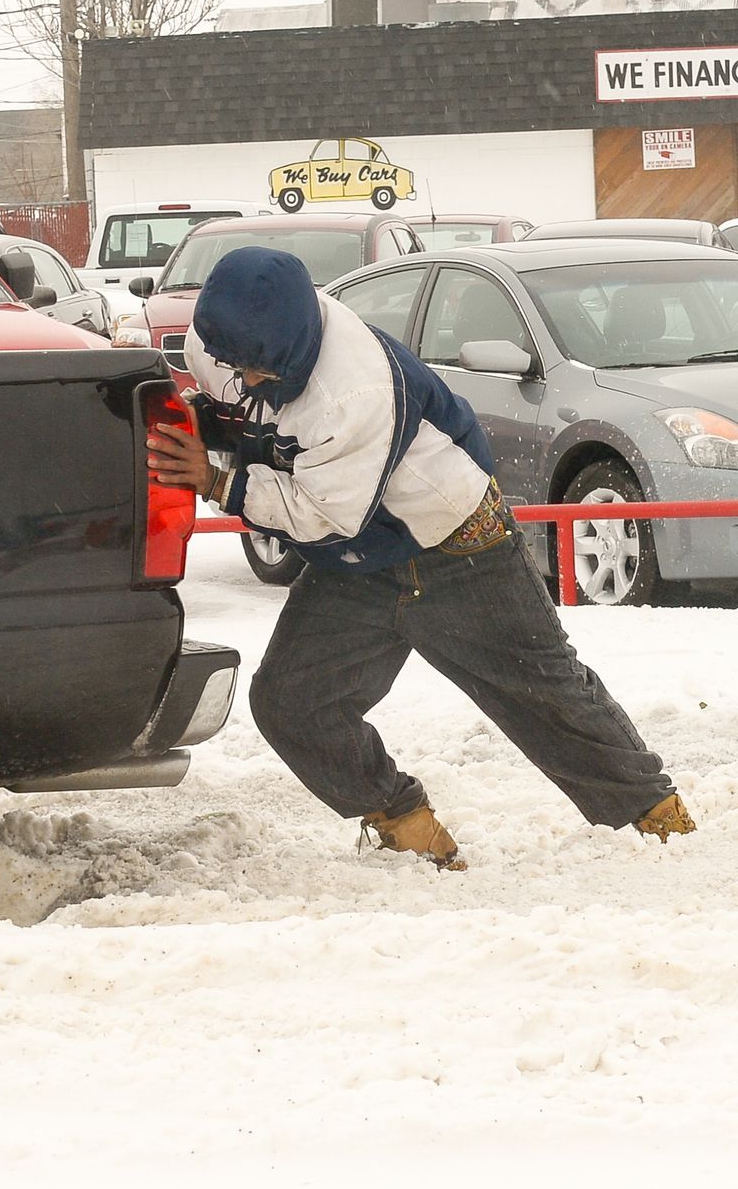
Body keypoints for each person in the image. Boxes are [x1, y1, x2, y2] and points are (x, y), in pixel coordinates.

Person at [146, 245, 693, 868]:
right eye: (232, 367)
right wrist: (203, 422)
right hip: (359, 566)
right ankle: (406, 827)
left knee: (546, 693)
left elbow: (324, 515)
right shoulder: (225, 343)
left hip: (458, 546)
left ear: (293, 350)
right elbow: (236, 407)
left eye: (256, 373)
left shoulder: (355, 389)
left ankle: (658, 823)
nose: (240, 381)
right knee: (291, 701)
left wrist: (219, 483)